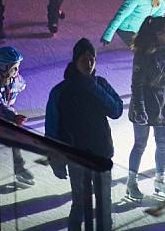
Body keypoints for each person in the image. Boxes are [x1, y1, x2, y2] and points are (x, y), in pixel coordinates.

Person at [45, 38, 123, 231]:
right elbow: (52, 128)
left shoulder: (100, 84)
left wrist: (94, 88)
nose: (89, 63)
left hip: (101, 153)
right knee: (79, 203)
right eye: (84, 59)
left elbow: (116, 110)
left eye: (92, 59)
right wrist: (56, 158)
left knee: (104, 202)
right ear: (75, 60)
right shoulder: (61, 91)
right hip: (76, 156)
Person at [126, 16, 165, 201]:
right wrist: (141, 109)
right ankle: (131, 182)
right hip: (144, 102)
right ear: (157, 34)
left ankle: (160, 180)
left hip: (162, 103)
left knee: (162, 144)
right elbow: (137, 85)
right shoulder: (143, 54)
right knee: (140, 144)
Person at [0, 47, 35, 185]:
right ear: (3, 68)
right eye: (14, 68)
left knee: (14, 136)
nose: (17, 71)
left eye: (18, 67)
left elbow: (21, 84)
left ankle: (18, 167)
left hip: (6, 113)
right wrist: (13, 117)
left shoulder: (14, 79)